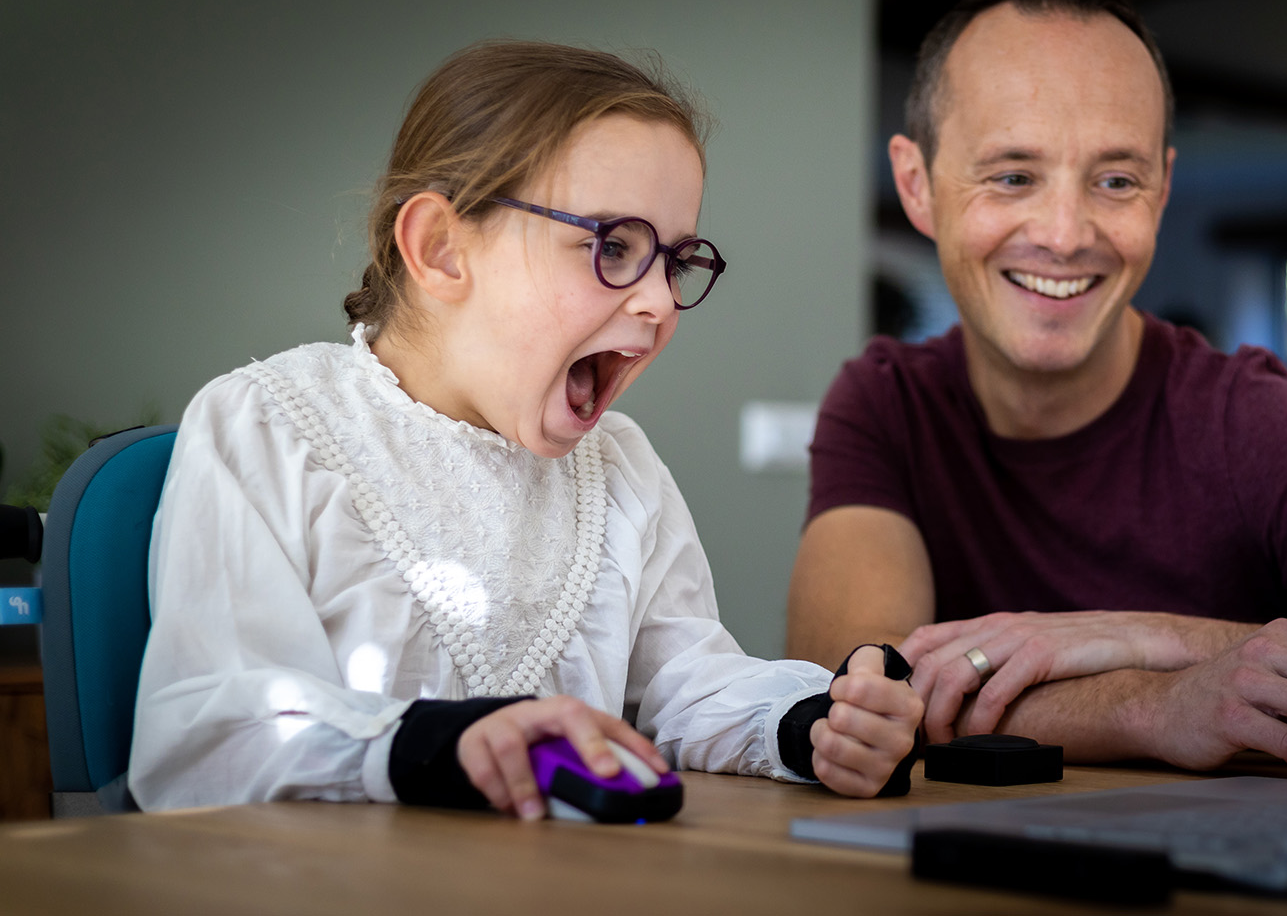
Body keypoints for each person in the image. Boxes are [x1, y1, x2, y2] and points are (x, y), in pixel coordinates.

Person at [129, 40, 922, 815]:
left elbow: (689, 683)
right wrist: (440, 743)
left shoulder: (622, 470)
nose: (660, 302)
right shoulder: (267, 427)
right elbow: (212, 734)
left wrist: (810, 722)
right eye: (613, 246)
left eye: (676, 262)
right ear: (440, 249)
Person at [785, 0, 1287, 774]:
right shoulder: (887, 401)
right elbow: (855, 697)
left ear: (1160, 191)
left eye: (1115, 181)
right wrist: (1154, 702)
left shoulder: (1243, 416)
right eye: (1013, 175)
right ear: (917, 185)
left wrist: (1152, 634)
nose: (1063, 233)